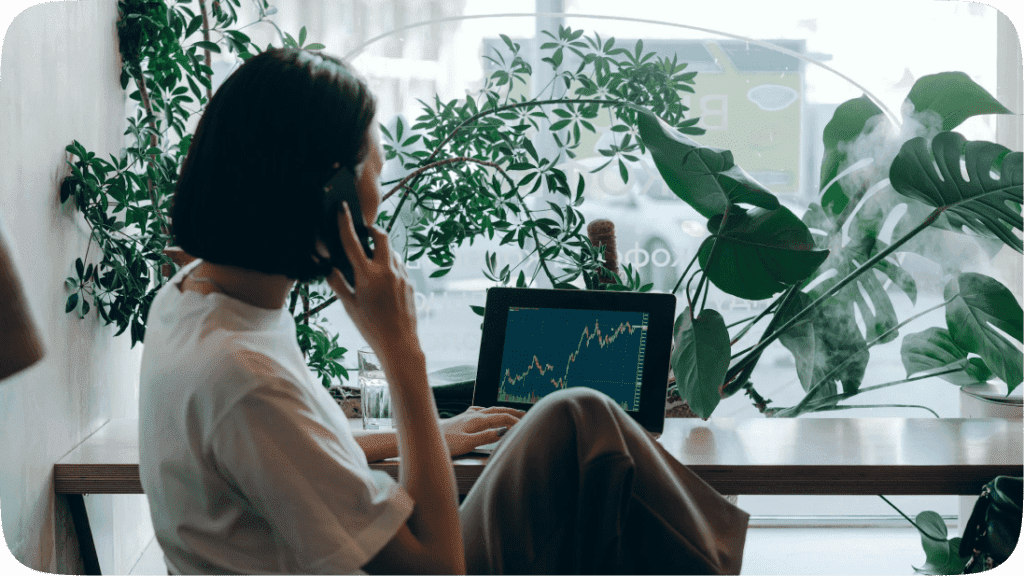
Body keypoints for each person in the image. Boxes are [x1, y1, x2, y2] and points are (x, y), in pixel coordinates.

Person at [139, 47, 749, 576]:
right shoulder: (247, 378)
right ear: (331, 195)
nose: (382, 178)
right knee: (598, 469)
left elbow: (286, 452)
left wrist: (429, 434)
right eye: (374, 162)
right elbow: (437, 569)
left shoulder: (195, 297)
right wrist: (401, 352)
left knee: (578, 417)